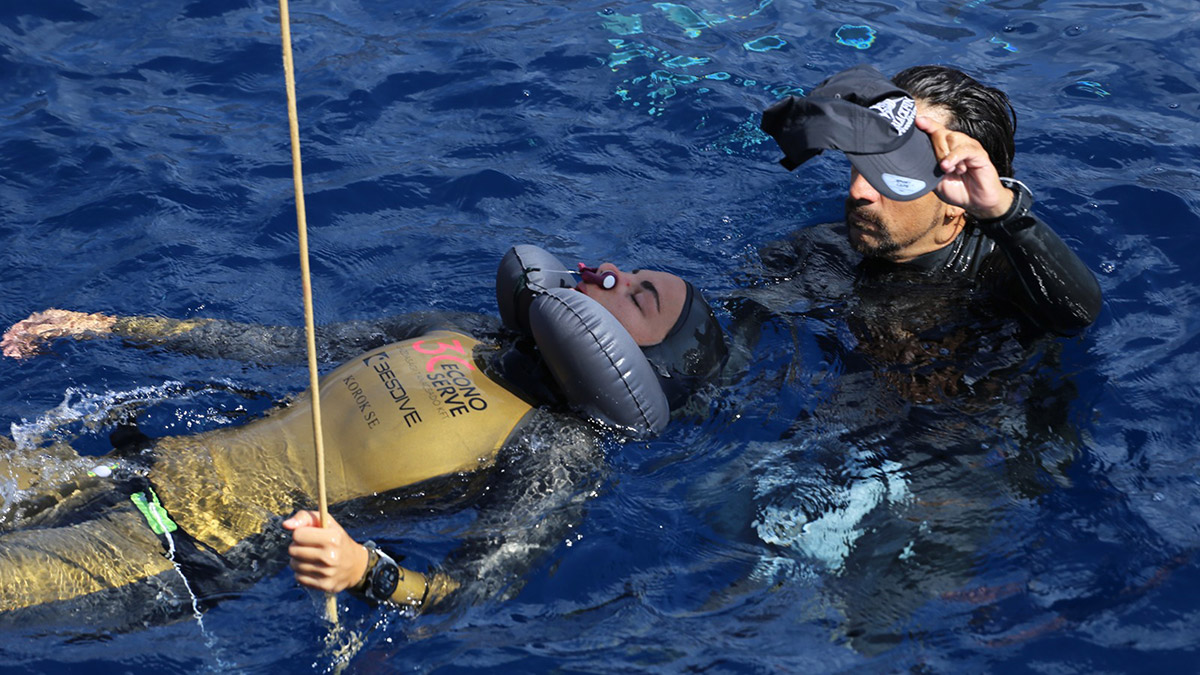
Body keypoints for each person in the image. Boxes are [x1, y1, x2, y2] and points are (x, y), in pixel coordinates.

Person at [0, 245, 727, 626]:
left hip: (183, 549)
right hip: (148, 465)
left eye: (638, 293)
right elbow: (278, 344)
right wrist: (113, 326)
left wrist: (363, 570)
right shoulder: (462, 332)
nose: (606, 272)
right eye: (626, 271)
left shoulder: (558, 450)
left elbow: (470, 587)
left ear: (645, 364)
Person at [757, 63, 1103, 337]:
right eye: (863, 161)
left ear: (958, 199)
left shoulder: (999, 272)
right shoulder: (816, 252)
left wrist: (1002, 211)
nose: (859, 191)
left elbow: (1076, 317)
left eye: (896, 172)